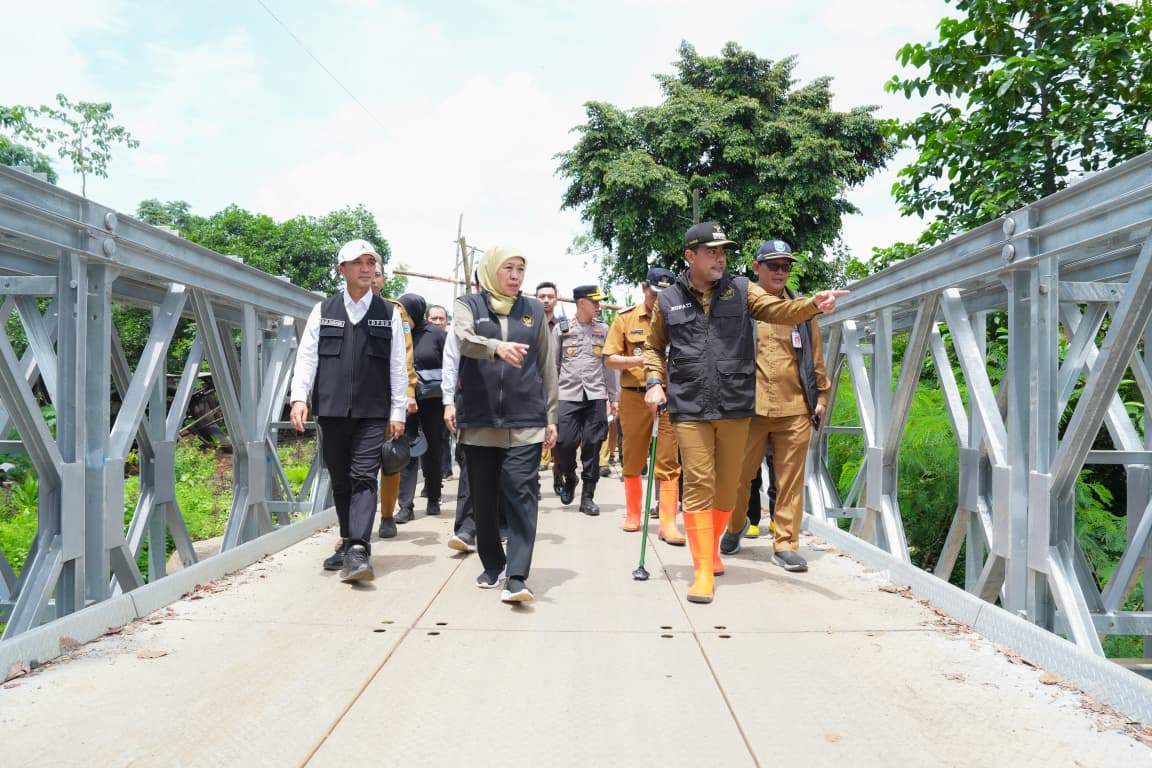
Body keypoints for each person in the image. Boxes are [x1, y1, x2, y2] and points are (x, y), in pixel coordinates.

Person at [643, 222, 847, 603]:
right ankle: (703, 570)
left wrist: (812, 305)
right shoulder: (669, 300)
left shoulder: (740, 290)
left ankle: (717, 543)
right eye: (712, 252)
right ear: (691, 256)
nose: (721, 258)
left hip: (736, 403)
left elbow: (778, 309)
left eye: (724, 252)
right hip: (689, 404)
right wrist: (654, 381)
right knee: (700, 484)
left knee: (728, 486)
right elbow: (654, 347)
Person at [289, 239, 408, 583]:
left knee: (363, 477)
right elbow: (307, 357)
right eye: (359, 263)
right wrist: (300, 397)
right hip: (331, 409)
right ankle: (346, 540)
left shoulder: (389, 313)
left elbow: (398, 366)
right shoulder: (323, 310)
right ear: (342, 270)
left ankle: (359, 548)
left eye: (372, 262)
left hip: (373, 411)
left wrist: (397, 411)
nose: (367, 268)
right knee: (340, 479)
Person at [454, 245, 557, 603]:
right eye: (508, 268)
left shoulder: (533, 311)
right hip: (480, 421)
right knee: (483, 499)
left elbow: (547, 366)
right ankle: (492, 563)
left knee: (521, 495)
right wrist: (496, 347)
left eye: (520, 269)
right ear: (491, 270)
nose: (515, 276)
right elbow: (465, 340)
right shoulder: (469, 305)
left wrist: (552, 416)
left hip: (525, 419)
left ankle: (517, 575)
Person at [719, 239, 830, 572]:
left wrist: (821, 397)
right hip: (750, 408)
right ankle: (736, 524)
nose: (781, 272)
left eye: (786, 266)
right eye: (773, 266)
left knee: (790, 481)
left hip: (795, 407)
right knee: (739, 477)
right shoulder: (740, 305)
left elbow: (815, 357)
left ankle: (785, 544)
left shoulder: (802, 309)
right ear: (757, 268)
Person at [604, 267, 684, 544]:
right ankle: (633, 514)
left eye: (665, 295)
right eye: (653, 294)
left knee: (668, 459)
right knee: (634, 456)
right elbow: (610, 359)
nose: (658, 300)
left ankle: (668, 522)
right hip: (635, 396)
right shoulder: (626, 319)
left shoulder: (680, 318)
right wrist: (640, 362)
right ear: (643, 288)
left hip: (670, 396)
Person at [553, 285, 619, 515]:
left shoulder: (603, 329)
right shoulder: (562, 329)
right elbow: (553, 366)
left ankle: (588, 497)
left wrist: (614, 397)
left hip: (596, 396)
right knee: (565, 443)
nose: (599, 306)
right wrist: (550, 400)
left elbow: (608, 367)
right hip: (567, 395)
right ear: (582, 303)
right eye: (595, 302)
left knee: (593, 444)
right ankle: (569, 476)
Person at [369, 260, 417, 540]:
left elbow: (406, 354)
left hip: (388, 396)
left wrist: (409, 392)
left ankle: (387, 515)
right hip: (358, 397)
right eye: (369, 274)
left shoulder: (395, 311)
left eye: (377, 275)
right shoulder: (339, 307)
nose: (372, 280)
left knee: (390, 457)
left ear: (384, 280)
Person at [395, 293, 448, 520]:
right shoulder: (398, 334)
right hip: (405, 401)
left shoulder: (436, 334)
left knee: (433, 449)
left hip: (433, 401)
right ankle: (405, 505)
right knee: (405, 451)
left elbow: (451, 365)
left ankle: (434, 496)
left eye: (405, 313)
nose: (402, 317)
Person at [535, 281, 560, 474]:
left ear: (556, 299)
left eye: (549, 296)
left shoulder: (563, 327)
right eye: (541, 296)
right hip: (534, 387)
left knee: (559, 431)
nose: (545, 300)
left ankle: (560, 470)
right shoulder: (528, 327)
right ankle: (540, 463)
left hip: (561, 386)